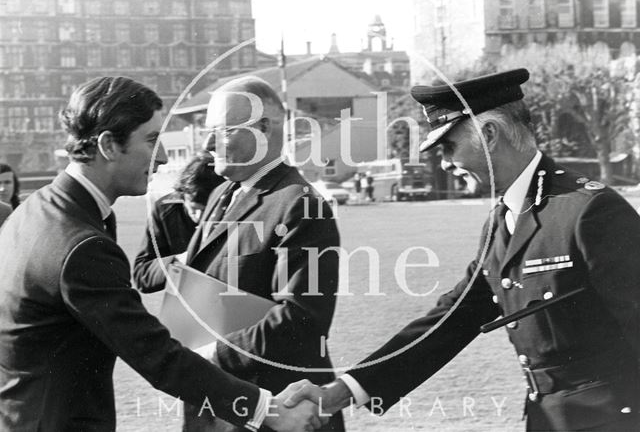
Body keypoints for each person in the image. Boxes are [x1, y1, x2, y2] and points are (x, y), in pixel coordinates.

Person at [286, 69, 640, 431]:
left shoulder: (589, 212)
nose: (443, 162)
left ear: (488, 135)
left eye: (449, 146)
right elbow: (453, 318)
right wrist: (341, 391)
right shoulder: (501, 221)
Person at [0, 76, 325, 432]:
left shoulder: (38, 210)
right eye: (153, 140)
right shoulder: (80, 243)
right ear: (109, 145)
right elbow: (153, 354)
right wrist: (268, 409)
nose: (166, 156)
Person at [183, 76, 344, 431]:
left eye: (222, 131)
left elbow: (303, 318)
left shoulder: (300, 204)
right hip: (219, 405)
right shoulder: (220, 196)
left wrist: (210, 356)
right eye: (207, 131)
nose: (208, 143)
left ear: (263, 128)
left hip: (279, 408)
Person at [134, 151, 225, 293]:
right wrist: (182, 259)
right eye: (194, 209)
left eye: (207, 210)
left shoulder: (234, 209)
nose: (200, 217)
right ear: (182, 197)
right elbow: (142, 275)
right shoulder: (164, 210)